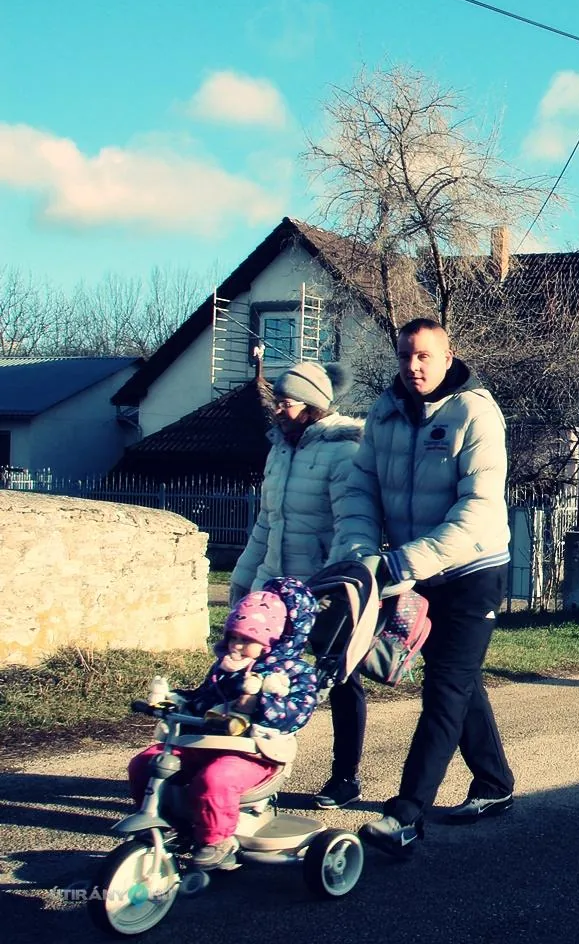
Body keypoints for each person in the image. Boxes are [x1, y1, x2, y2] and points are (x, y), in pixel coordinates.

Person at [335, 317, 516, 856]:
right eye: (405, 356)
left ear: (447, 356)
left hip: (473, 570)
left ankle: (406, 814)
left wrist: (402, 562)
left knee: (444, 689)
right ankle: (495, 783)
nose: (413, 367)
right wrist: (365, 557)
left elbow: (479, 511)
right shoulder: (385, 414)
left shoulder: (475, 413)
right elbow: (358, 490)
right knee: (458, 682)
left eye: (424, 357)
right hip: (414, 571)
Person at [229, 360, 366, 811]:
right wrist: (245, 582)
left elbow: (349, 528)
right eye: (279, 403)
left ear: (313, 406)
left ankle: (345, 777)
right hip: (276, 591)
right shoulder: (279, 451)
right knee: (255, 681)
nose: (279, 411)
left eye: (287, 403)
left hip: (323, 594)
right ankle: (249, 777)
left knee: (340, 681)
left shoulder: (343, 451)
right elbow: (266, 525)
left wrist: (328, 589)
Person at [128, 585, 319, 869]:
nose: (235, 646)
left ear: (271, 641)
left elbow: (296, 714)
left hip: (256, 753)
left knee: (216, 779)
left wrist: (260, 704)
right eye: (233, 637)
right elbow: (203, 699)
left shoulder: (293, 673)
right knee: (147, 763)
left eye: (246, 639)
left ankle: (217, 840)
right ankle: (168, 823)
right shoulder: (225, 668)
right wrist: (176, 701)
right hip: (208, 744)